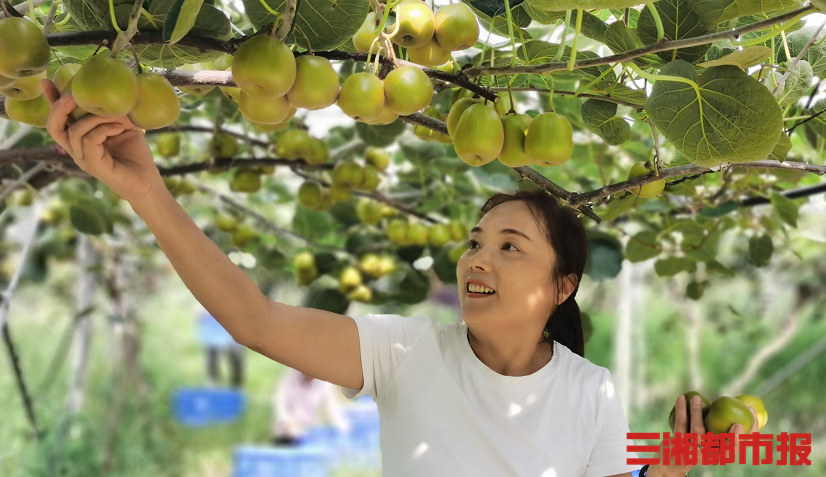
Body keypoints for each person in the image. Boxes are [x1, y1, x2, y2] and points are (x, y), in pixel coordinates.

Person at [41, 80, 759, 477]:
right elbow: (255, 321)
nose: (477, 258)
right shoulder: (406, 352)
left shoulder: (587, 388)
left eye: (510, 247)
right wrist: (146, 194)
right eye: (476, 242)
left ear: (562, 286)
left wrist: (665, 473)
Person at [271, 368, 351, 446]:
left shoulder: (324, 381)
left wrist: (343, 427)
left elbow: (331, 406)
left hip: (310, 430)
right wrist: (288, 421)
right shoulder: (290, 377)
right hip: (288, 431)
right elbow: (280, 403)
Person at [194, 302, 245, 388]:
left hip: (231, 332)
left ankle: (236, 388)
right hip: (212, 333)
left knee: (234, 358)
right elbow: (198, 313)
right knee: (212, 359)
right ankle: (213, 385)